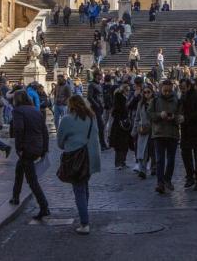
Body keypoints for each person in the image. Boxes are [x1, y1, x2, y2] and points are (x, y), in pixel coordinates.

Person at [57, 95, 102, 235]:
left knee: (79, 190)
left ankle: (84, 223)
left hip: (75, 158)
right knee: (84, 186)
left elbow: (60, 142)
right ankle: (84, 214)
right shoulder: (91, 117)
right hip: (90, 157)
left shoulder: (66, 119)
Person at [9, 91, 50, 218]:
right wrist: (44, 148)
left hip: (27, 147)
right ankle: (15, 196)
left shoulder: (18, 111)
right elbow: (44, 131)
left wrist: (19, 147)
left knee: (32, 180)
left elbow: (19, 129)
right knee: (19, 169)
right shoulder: (35, 110)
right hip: (37, 146)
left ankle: (44, 207)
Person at [149, 79, 184, 193]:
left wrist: (176, 117)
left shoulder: (177, 101)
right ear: (160, 89)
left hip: (172, 133)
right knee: (159, 159)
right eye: (165, 91)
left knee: (171, 159)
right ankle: (160, 182)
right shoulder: (155, 100)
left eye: (169, 91)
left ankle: (167, 179)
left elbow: (180, 115)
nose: (167, 93)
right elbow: (149, 114)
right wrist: (160, 115)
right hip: (159, 133)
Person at [132, 84, 155, 178]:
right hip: (143, 129)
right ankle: (143, 170)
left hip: (154, 129)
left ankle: (154, 168)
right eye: (144, 92)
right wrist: (134, 130)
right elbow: (137, 118)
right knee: (143, 150)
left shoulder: (155, 102)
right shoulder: (140, 104)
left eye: (148, 92)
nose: (146, 94)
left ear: (152, 92)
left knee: (153, 150)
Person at [109, 82, 134, 169]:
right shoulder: (119, 98)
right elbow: (120, 110)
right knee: (119, 145)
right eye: (127, 90)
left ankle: (122, 162)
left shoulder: (124, 98)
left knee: (124, 144)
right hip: (120, 124)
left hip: (124, 124)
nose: (128, 92)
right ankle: (118, 163)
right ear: (124, 90)